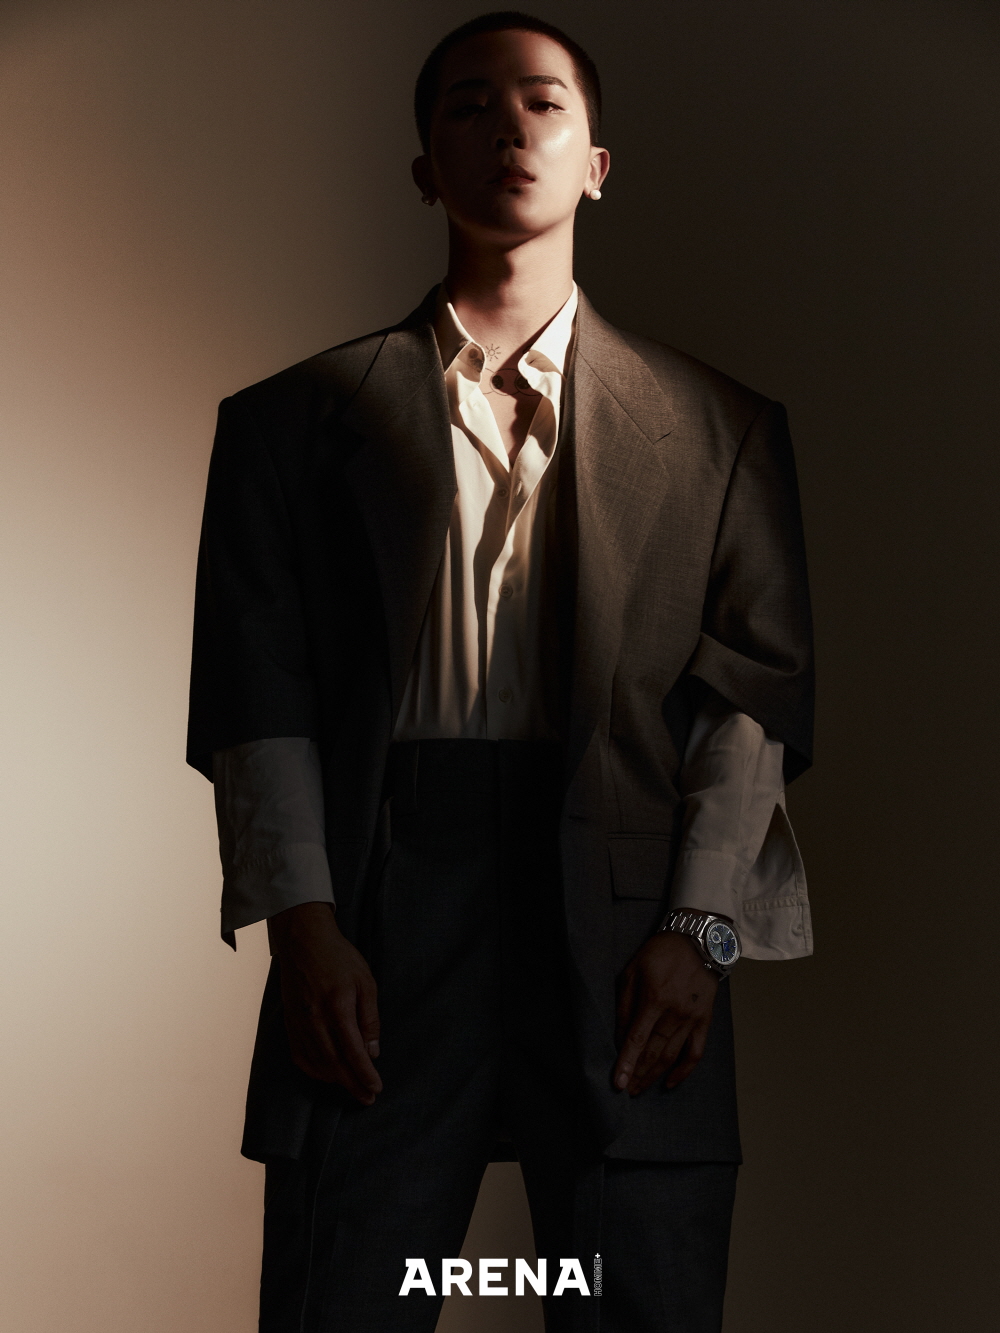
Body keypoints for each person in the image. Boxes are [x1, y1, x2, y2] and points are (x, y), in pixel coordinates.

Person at [187, 11, 814, 1332]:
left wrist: (701, 933)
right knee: (343, 1292)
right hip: (385, 895)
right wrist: (304, 925)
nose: (509, 129)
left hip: (630, 914)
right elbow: (259, 698)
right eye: (469, 106)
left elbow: (746, 704)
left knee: (641, 1296)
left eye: (542, 103)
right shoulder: (288, 424)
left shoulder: (723, 429)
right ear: (425, 166)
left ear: (597, 163)